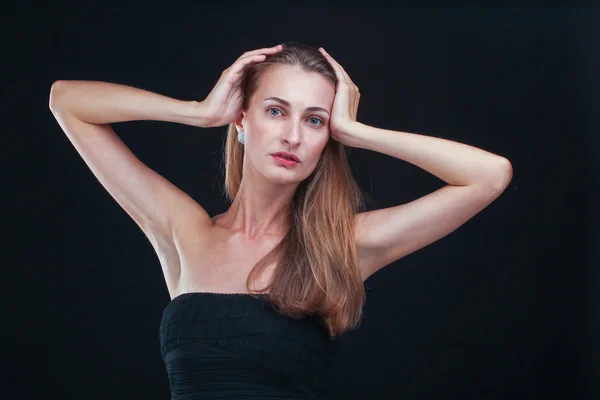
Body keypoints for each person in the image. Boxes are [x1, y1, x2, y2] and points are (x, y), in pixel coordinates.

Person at [49, 41, 512, 399]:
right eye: (275, 111)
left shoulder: (342, 244)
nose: (293, 136)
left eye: (314, 121)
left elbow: (489, 176)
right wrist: (197, 111)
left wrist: (357, 132)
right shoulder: (185, 229)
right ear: (242, 119)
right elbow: (67, 102)